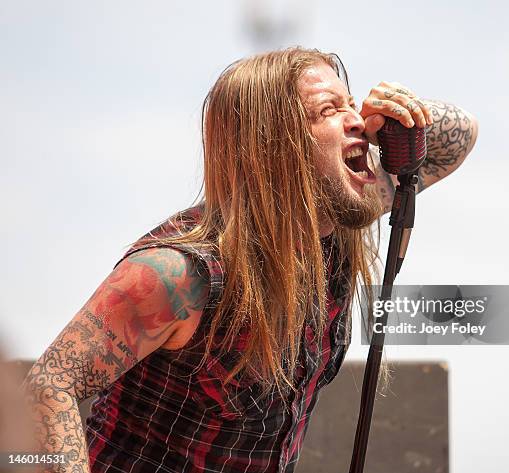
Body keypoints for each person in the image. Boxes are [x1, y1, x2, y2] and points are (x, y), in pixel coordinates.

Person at [23, 47, 477, 473]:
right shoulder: (182, 273)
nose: (356, 119)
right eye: (327, 110)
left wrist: (397, 118)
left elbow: (460, 137)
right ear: (275, 146)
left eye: (352, 106)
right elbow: (47, 386)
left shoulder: (332, 231)